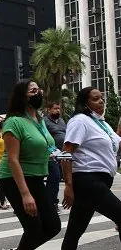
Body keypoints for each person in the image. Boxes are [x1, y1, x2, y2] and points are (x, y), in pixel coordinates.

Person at [0, 80, 61, 250]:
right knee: (33, 228)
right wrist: (25, 194)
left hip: (36, 177)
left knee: (53, 226)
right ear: (22, 96)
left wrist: (62, 155)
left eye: (39, 89)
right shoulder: (14, 122)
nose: (38, 93)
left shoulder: (39, 119)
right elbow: (12, 159)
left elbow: (47, 144)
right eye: (33, 91)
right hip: (14, 179)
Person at [61, 87, 121, 249]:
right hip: (88, 181)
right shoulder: (80, 120)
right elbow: (66, 154)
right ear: (84, 103)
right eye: (95, 99)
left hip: (100, 182)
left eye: (102, 98)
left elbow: (116, 143)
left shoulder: (102, 123)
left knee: (74, 231)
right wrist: (68, 185)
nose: (101, 101)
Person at [44, 101, 67, 212]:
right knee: (54, 177)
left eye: (59, 108)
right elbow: (44, 138)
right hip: (51, 154)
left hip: (62, 154)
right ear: (49, 110)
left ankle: (50, 201)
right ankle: (51, 202)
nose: (58, 110)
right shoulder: (45, 121)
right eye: (55, 108)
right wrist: (50, 152)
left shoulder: (62, 121)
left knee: (58, 179)